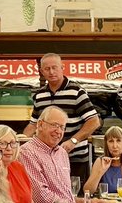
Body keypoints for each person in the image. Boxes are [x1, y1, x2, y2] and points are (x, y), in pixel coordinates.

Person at [23, 53, 101, 184]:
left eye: (55, 67)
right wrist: (21, 142)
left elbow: (94, 121)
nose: (51, 72)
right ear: (41, 71)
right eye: (47, 69)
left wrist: (73, 141)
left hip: (75, 158)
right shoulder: (39, 95)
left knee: (75, 197)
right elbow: (34, 124)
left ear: (62, 68)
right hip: (46, 160)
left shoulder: (77, 92)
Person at [18, 106, 75, 203]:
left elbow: (65, 194)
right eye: (54, 125)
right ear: (40, 125)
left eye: (62, 127)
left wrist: (85, 202)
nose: (58, 131)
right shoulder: (27, 152)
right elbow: (42, 198)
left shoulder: (62, 153)